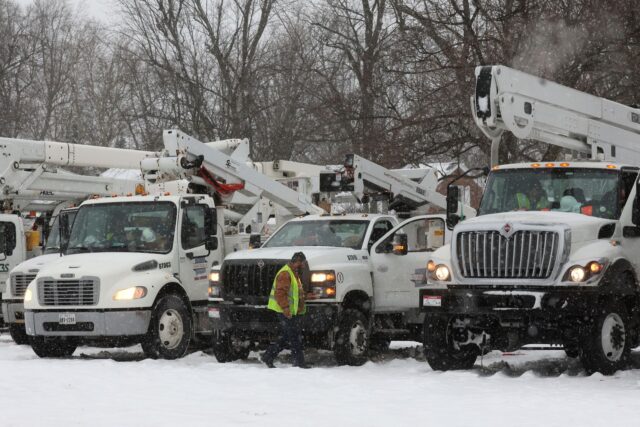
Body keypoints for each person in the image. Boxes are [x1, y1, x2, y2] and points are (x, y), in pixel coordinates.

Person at [261, 252, 312, 368]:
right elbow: (280, 293)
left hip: (288, 310)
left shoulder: (293, 272)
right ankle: (299, 363)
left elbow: (294, 293)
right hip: (284, 310)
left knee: (287, 336)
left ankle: (268, 356)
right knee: (294, 337)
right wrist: (285, 309)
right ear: (297, 261)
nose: (303, 266)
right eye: (302, 263)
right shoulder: (286, 273)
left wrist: (305, 296)